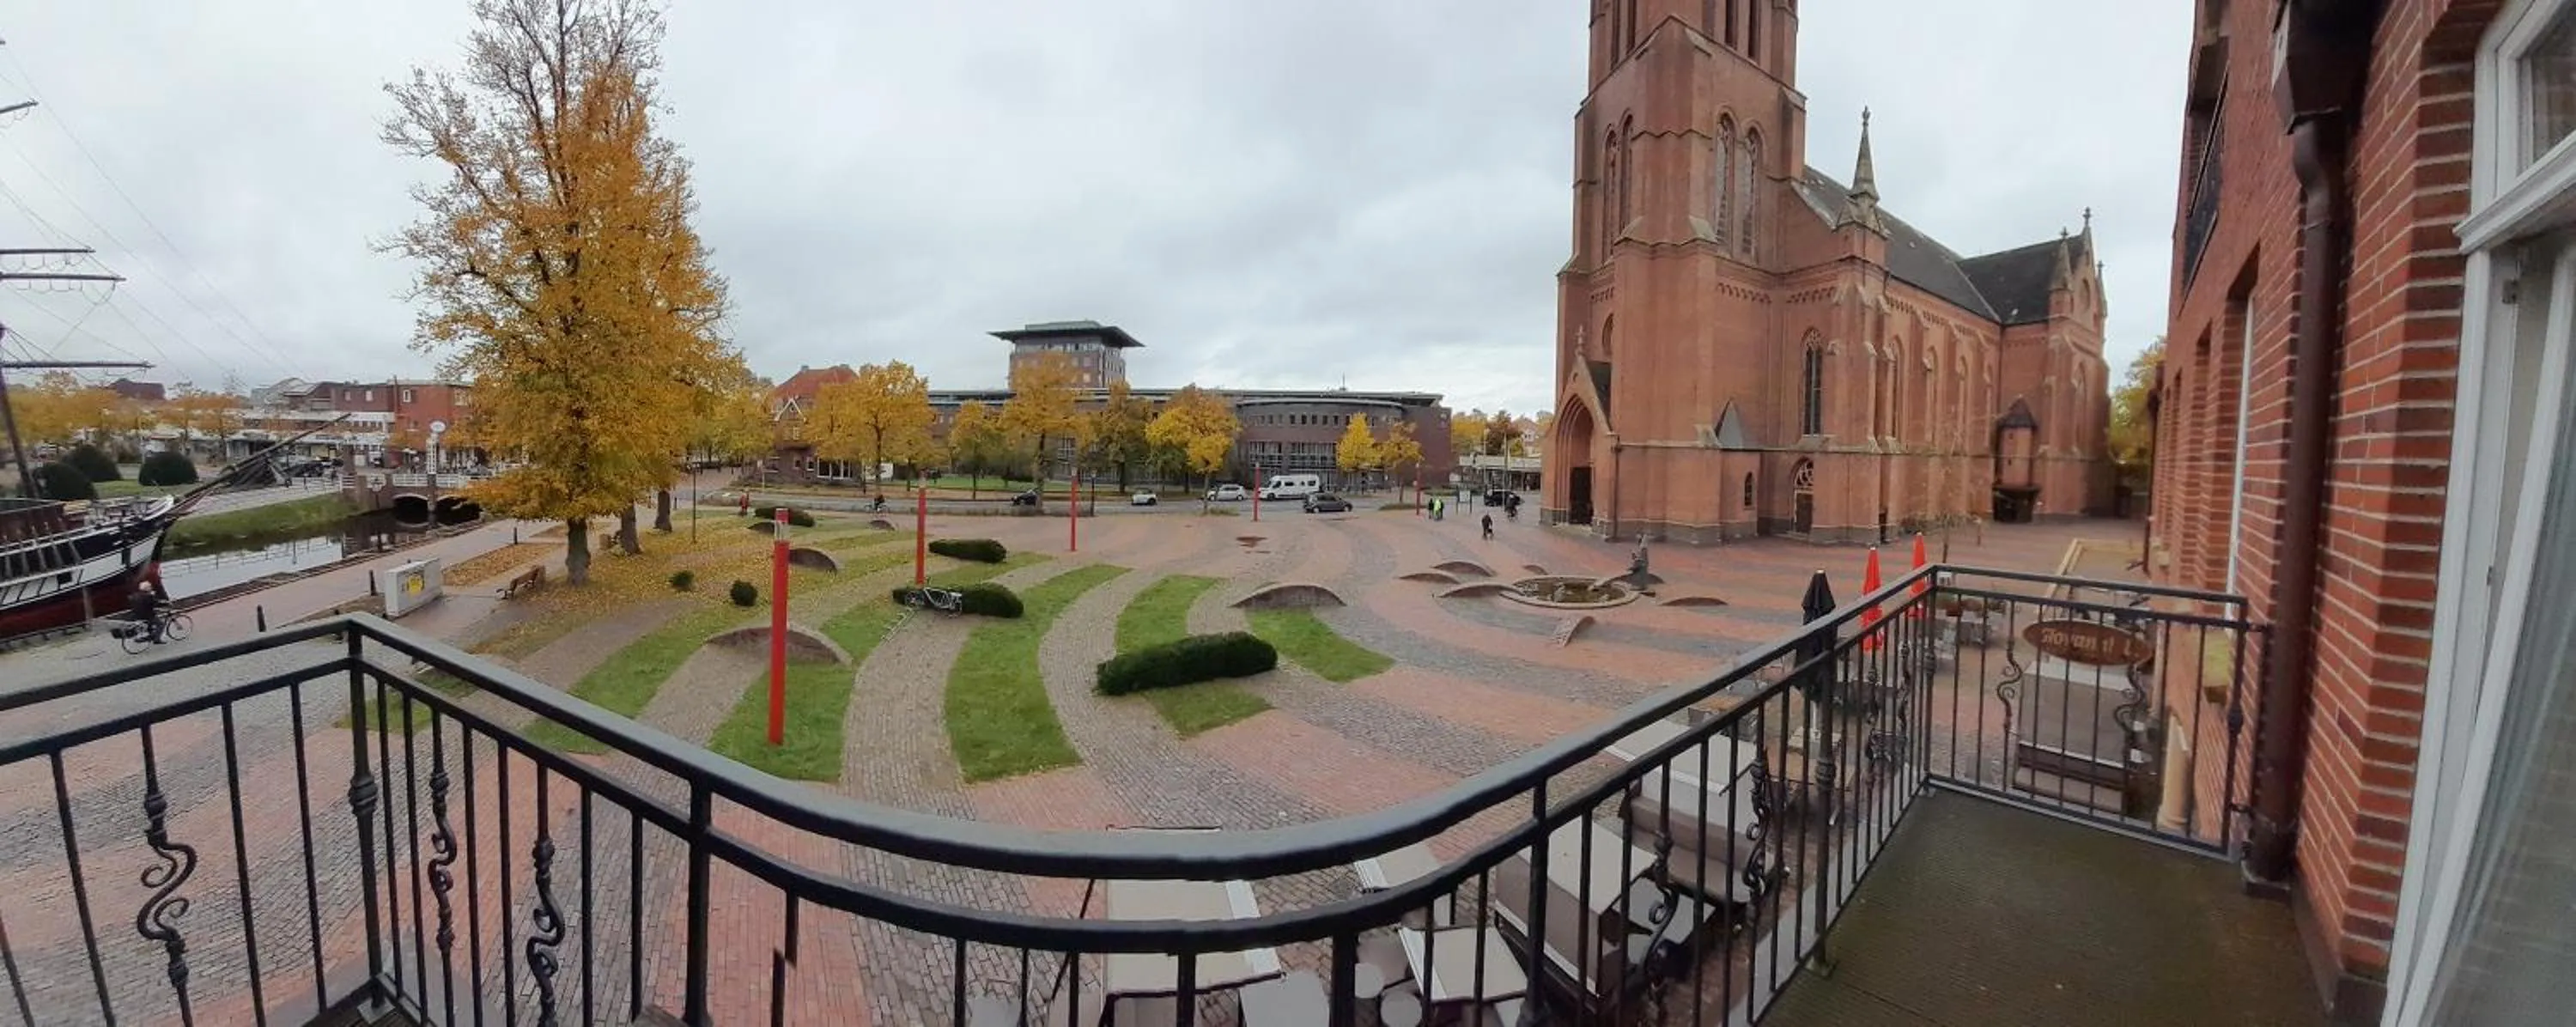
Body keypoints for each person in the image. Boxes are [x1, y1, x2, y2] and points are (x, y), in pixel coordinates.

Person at [127, 580, 166, 645]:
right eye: (150, 586)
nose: (151, 587)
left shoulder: (135, 595)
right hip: (147, 616)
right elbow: (155, 603)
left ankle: (151, 634)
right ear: (146, 588)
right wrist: (154, 596)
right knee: (161, 625)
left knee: (150, 625)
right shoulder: (148, 596)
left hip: (136, 616)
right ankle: (157, 639)